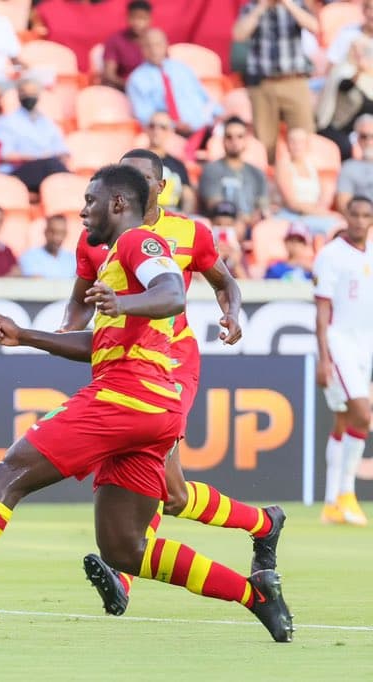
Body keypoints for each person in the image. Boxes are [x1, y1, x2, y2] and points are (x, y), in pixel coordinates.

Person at [0, 164, 293, 643]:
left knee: (6, 475)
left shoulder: (136, 243)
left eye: (91, 200)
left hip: (127, 397)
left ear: (118, 204)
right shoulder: (116, 260)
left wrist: (123, 305)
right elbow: (99, 343)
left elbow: (170, 295)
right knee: (124, 549)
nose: (82, 211)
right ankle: (255, 595)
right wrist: (25, 336)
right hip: (155, 412)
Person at [59, 150, 284, 617]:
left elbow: (223, 281)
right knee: (174, 493)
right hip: (123, 360)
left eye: (141, 181)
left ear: (159, 188)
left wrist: (231, 312)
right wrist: (68, 326)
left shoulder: (189, 232)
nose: (129, 190)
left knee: (157, 469)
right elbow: (79, 298)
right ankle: (262, 522)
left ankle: (122, 572)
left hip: (171, 363)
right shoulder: (97, 237)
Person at [313, 195, 373, 526]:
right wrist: (324, 357)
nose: (360, 221)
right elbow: (322, 312)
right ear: (345, 216)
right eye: (355, 214)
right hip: (338, 344)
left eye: (367, 215)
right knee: (362, 415)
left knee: (343, 421)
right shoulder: (331, 255)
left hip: (364, 347)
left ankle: (331, 503)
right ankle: (347, 494)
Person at [232, 0, 318, 163]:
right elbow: (239, 34)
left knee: (304, 135)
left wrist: (287, 4)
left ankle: (302, 176)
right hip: (263, 83)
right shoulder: (252, 7)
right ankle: (269, 179)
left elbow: (314, 27)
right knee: (265, 140)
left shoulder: (296, 4)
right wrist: (262, 6)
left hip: (293, 80)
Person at [126, 28, 222, 141]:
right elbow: (144, 116)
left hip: (206, 129)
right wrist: (173, 125)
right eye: (148, 46)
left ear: (166, 45)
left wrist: (219, 114)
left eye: (158, 44)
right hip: (170, 135)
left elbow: (204, 98)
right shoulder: (136, 80)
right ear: (142, 48)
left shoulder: (182, 68)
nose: (154, 50)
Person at [0, 76, 69, 195]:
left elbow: (62, 150)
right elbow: (5, 154)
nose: (29, 96)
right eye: (25, 93)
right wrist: (38, 157)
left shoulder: (47, 122)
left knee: (55, 167)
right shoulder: (6, 121)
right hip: (20, 172)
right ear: (18, 95)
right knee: (50, 164)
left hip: (49, 168)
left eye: (32, 92)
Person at [317, 0, 373, 159]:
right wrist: (359, 72)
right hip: (341, 125)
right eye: (370, 9)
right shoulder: (345, 67)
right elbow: (342, 84)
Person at [198, 117, 269, 226]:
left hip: (253, 226)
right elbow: (216, 206)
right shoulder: (211, 170)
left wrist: (258, 216)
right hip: (224, 224)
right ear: (223, 140)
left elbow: (263, 205)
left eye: (239, 137)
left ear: (246, 140)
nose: (234, 141)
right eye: (229, 137)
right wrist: (243, 219)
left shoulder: (257, 173)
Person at [275, 128, 342, 235]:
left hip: (313, 214)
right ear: (287, 144)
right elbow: (292, 203)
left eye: (300, 142)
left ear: (307, 145)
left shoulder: (312, 166)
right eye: (293, 141)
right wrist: (323, 213)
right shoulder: (283, 166)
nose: (297, 146)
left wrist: (322, 211)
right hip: (293, 215)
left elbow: (324, 196)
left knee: (340, 224)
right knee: (333, 226)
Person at [144, 112, 196, 214]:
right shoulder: (135, 161)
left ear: (170, 131)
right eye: (152, 126)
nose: (156, 131)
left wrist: (183, 216)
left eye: (162, 127)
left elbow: (188, 198)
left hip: (171, 217)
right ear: (146, 129)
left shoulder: (178, 165)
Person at [102, 0, 152, 91]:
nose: (137, 22)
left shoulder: (155, 40)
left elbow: (165, 70)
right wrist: (132, 87)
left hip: (152, 91)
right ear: (128, 17)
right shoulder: (115, 40)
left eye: (142, 18)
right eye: (134, 17)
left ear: (149, 19)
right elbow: (109, 75)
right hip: (123, 90)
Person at [335, 115, 373, 213]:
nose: (369, 141)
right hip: (363, 222)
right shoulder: (349, 167)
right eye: (364, 136)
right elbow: (344, 206)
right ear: (357, 138)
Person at [19, 214, 76, 278]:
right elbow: (36, 283)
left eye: (61, 233)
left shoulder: (72, 259)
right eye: (52, 232)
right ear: (45, 232)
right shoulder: (30, 256)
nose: (56, 237)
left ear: (66, 234)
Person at [211, 202, 250, 279]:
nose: (223, 229)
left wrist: (235, 264)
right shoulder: (205, 253)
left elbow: (247, 285)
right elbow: (202, 283)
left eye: (229, 225)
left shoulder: (242, 253)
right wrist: (215, 262)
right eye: (218, 225)